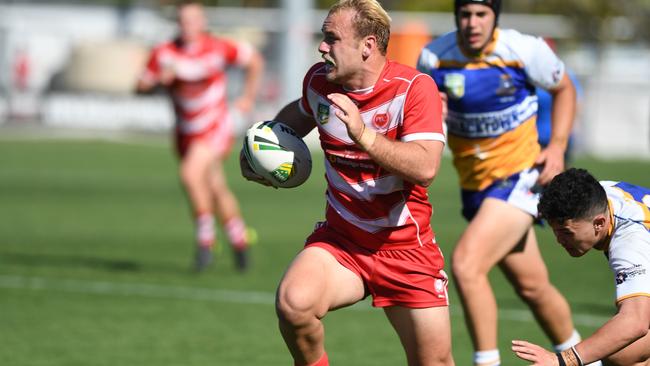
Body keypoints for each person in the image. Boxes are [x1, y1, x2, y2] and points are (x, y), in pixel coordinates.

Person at [241, 1, 454, 365]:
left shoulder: (414, 89)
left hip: (405, 249)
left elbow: (425, 167)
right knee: (295, 303)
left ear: (367, 45)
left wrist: (364, 135)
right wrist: (261, 152)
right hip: (344, 242)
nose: (322, 46)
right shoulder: (320, 83)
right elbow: (296, 114)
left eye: (332, 38)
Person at [416, 1, 593, 365]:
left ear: (495, 16)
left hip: (521, 177)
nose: (472, 23)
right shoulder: (434, 58)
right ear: (456, 17)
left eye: (481, 14)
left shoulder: (523, 50)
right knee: (533, 286)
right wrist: (435, 111)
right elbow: (425, 112)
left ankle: (487, 361)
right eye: (465, 15)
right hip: (475, 187)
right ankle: (586, 360)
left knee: (466, 264)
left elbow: (565, 89)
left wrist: (557, 148)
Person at [136, 1, 264, 271]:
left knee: (190, 175)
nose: (189, 25)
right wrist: (160, 81)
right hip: (186, 132)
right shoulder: (164, 54)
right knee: (215, 188)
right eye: (183, 20)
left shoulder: (218, 47)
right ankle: (239, 240)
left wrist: (247, 97)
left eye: (194, 19)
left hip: (215, 127)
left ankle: (206, 241)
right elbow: (140, 86)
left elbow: (254, 61)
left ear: (203, 21)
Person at [512, 168, 650, 366]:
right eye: (556, 231)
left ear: (599, 224)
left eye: (566, 233)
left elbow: (635, 321)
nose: (559, 240)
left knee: (622, 352)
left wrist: (562, 360)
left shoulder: (629, 241)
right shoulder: (597, 197)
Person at [535, 38, 583, 161]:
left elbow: (576, 104)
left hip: (560, 139)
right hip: (537, 138)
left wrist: (571, 130)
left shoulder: (566, 76)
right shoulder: (532, 77)